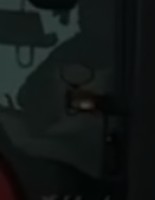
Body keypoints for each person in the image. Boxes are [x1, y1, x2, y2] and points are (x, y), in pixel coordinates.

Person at [17, 0, 116, 134]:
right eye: (84, 7)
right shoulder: (72, 52)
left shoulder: (140, 50)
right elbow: (29, 93)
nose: (84, 13)